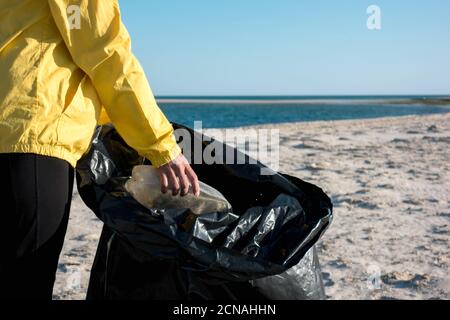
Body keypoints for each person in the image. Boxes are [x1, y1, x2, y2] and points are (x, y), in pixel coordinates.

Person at [0, 0, 199, 300]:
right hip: (32, 135)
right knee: (26, 284)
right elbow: (106, 53)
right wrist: (161, 146)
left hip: (13, 128)